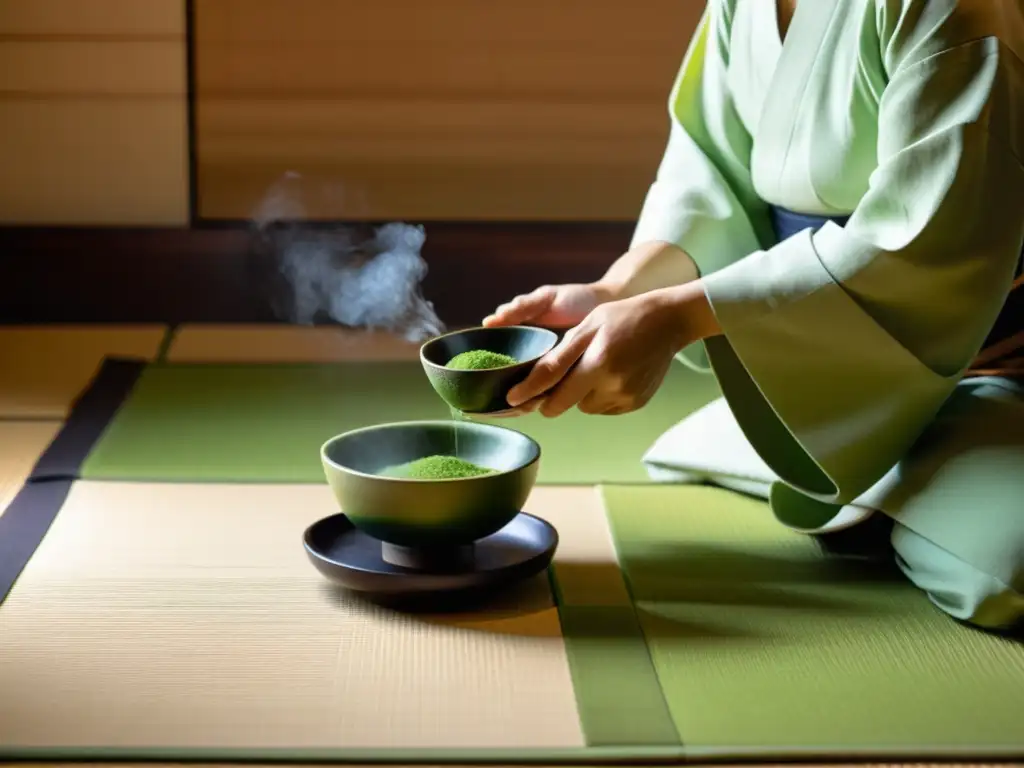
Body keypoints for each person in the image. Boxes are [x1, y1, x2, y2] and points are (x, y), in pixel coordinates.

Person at [483, 0, 1024, 631]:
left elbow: (929, 236)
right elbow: (711, 176)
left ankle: (873, 472)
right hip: (834, 369)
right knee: (690, 448)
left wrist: (681, 315)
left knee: (1004, 574)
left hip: (994, 367)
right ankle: (870, 462)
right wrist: (619, 294)